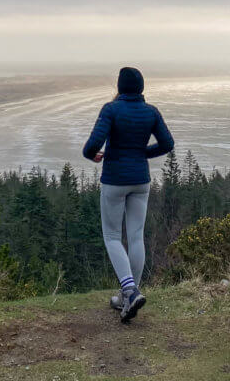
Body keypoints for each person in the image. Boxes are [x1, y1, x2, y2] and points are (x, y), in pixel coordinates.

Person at [83, 66, 174, 322]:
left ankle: (129, 290)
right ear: (141, 88)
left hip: (114, 180)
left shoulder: (111, 110)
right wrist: (143, 153)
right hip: (140, 181)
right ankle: (128, 296)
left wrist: (93, 155)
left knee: (112, 236)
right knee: (135, 237)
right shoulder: (150, 112)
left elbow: (91, 146)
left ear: (120, 87)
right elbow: (167, 144)